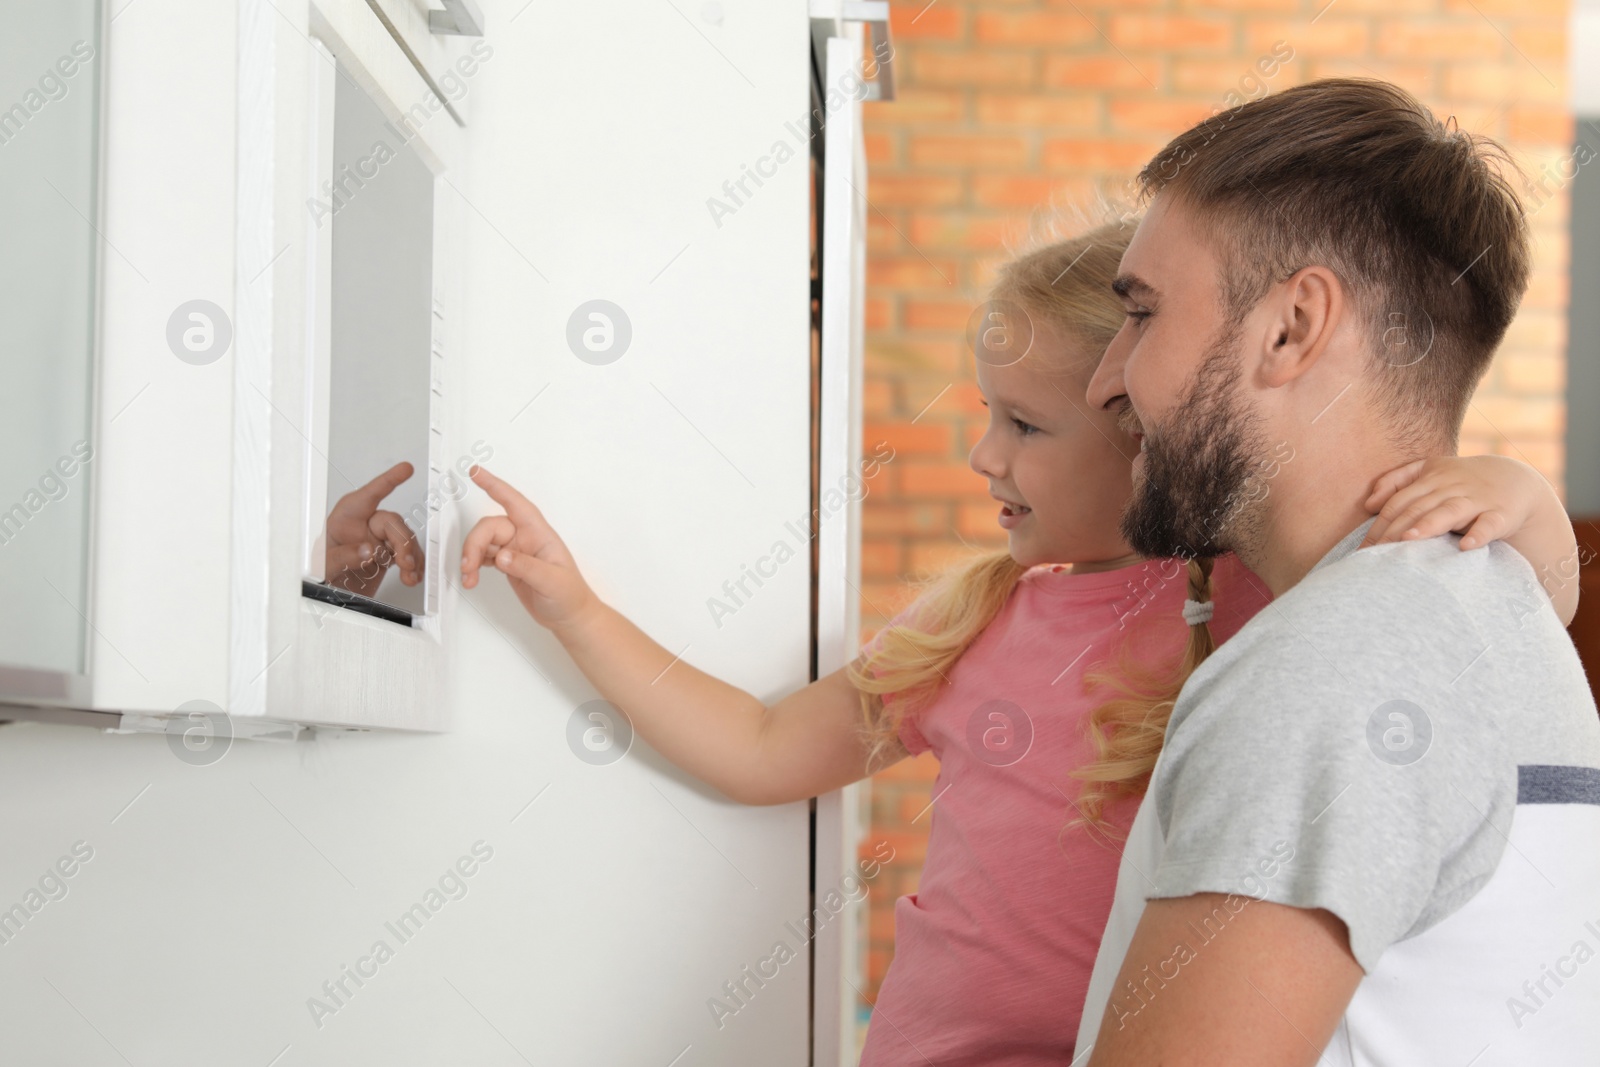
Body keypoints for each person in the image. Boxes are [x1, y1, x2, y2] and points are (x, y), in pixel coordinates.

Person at [459, 218, 1579, 1065]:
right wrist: (575, 608)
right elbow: (761, 743)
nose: (986, 457)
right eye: (987, 416)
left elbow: (1523, 603)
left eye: (1026, 425)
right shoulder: (977, 618)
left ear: (1138, 422)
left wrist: (1521, 492)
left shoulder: (1265, 610)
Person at [1078, 78, 1600, 1066]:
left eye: (1140, 314)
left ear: (1290, 327)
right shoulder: (1482, 603)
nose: (1106, 377)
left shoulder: (1341, 660)